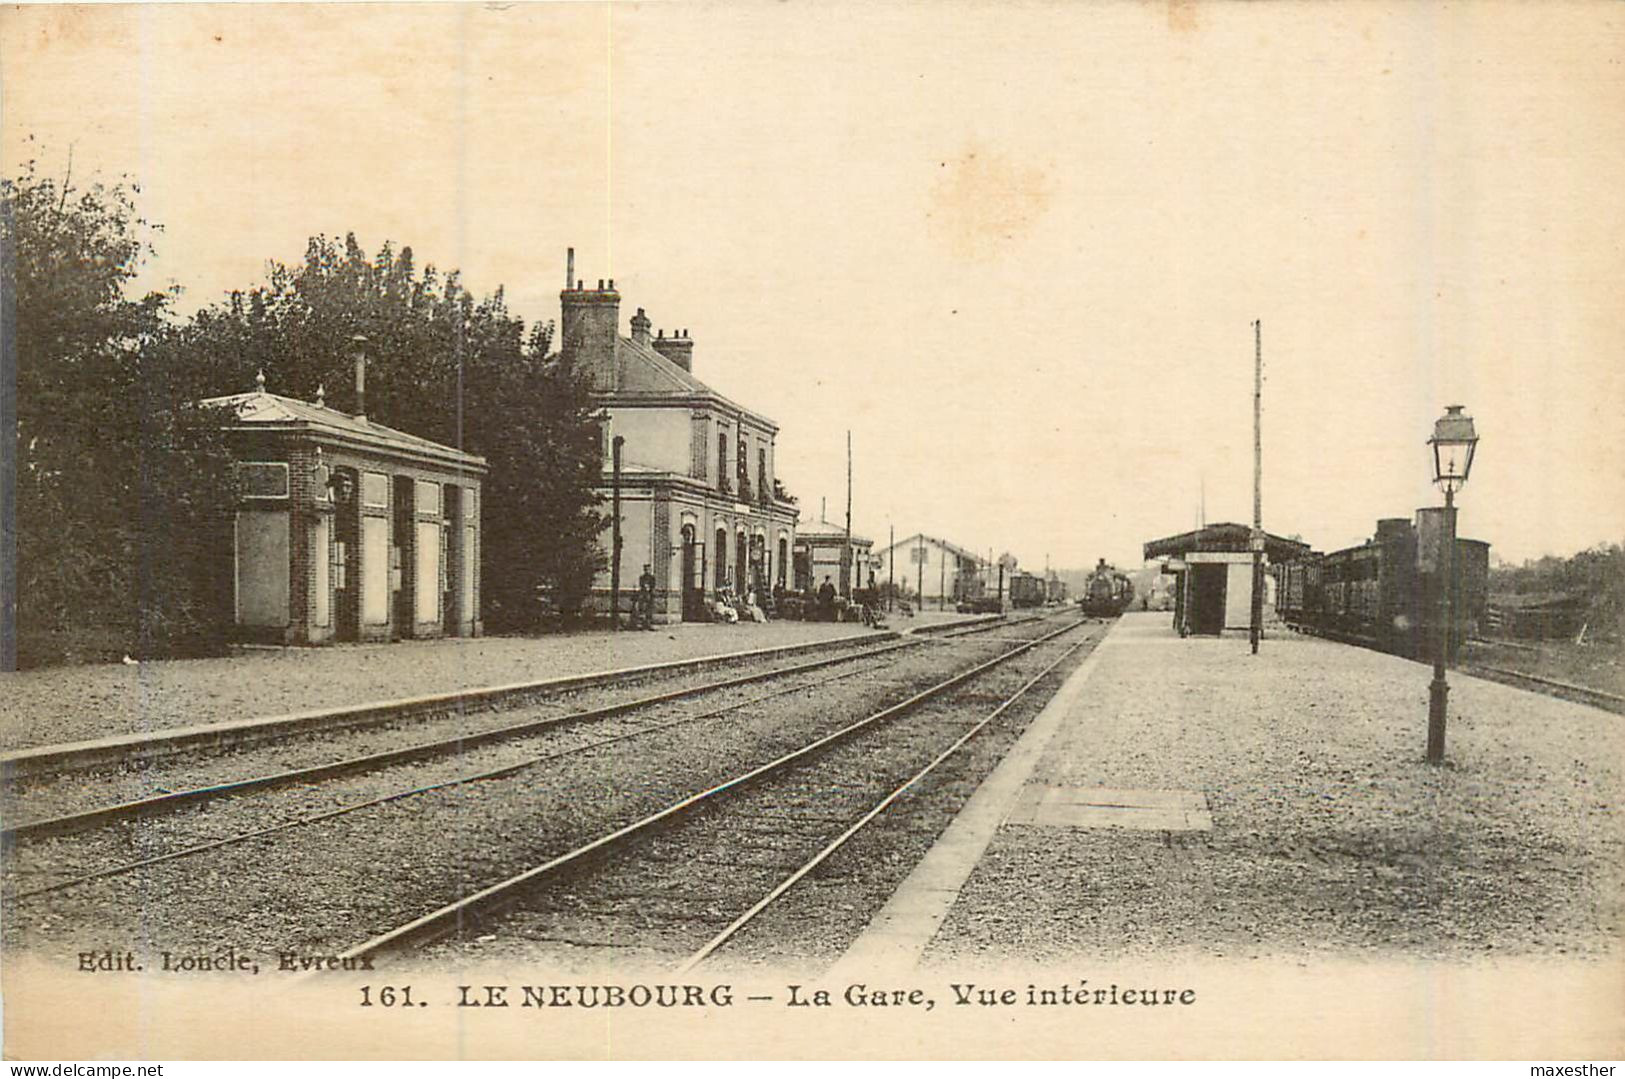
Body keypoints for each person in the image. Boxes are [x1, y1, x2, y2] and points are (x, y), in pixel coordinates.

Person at [637, 564, 657, 629]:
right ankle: (642, 623)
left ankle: (649, 624)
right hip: (643, 594)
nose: (647, 571)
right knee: (642, 608)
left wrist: (650, 590)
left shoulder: (652, 578)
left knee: (649, 609)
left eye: (649, 569)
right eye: (646, 569)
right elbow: (641, 585)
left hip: (650, 595)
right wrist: (644, 587)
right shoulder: (642, 577)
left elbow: (653, 586)